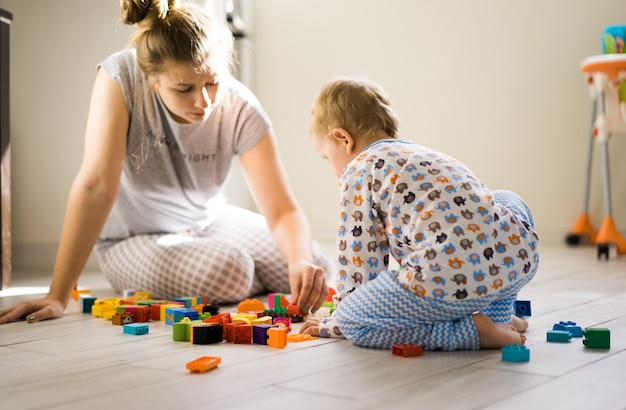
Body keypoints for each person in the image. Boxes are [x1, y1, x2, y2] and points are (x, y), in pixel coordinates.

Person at [0, 0, 331, 325]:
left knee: (315, 266)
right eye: (184, 88)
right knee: (231, 272)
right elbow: (96, 186)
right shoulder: (121, 77)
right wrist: (57, 295)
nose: (203, 101)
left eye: (212, 83)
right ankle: (231, 265)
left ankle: (235, 261)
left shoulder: (239, 105)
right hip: (130, 239)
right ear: (151, 77)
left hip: (207, 222)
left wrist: (298, 260)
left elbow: (282, 209)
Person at [300, 77, 540, 350]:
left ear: (344, 139)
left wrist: (339, 319)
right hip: (517, 257)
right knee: (506, 199)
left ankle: (473, 332)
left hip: (449, 277)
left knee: (354, 319)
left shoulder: (358, 169)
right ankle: (499, 317)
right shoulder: (420, 153)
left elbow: (360, 260)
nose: (332, 168)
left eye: (326, 158)